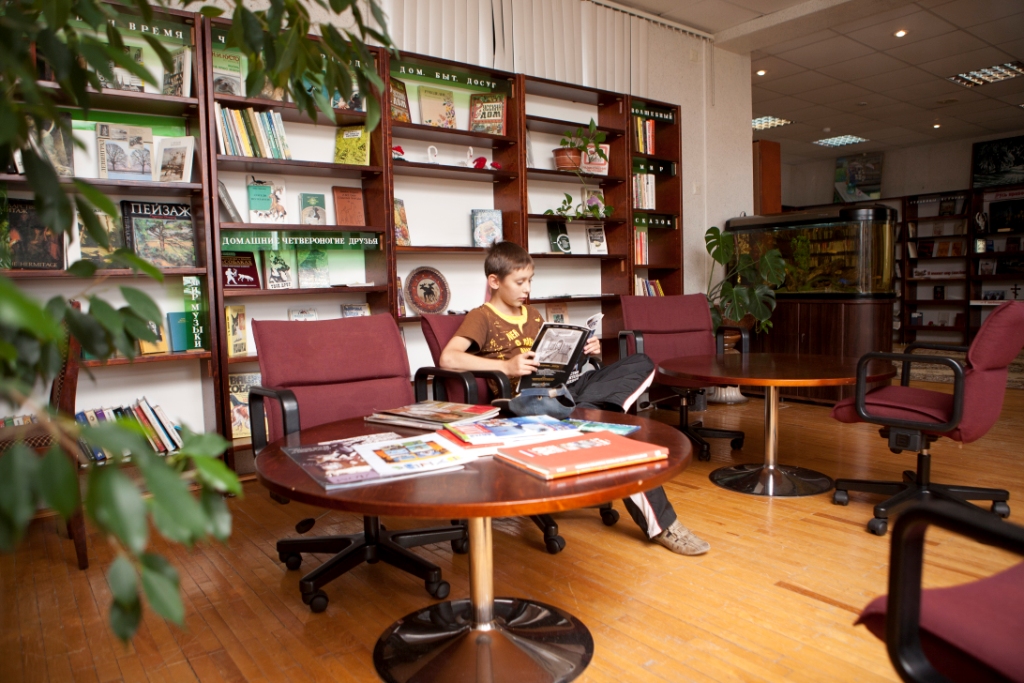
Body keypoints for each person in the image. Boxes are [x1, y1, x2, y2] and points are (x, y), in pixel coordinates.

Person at [439, 241, 710, 555]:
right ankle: (664, 526)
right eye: (520, 282)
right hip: (528, 401)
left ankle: (585, 411)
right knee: (615, 439)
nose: (527, 289)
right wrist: (506, 366)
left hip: (565, 389)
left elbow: (554, 361)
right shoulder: (482, 316)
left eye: (530, 281)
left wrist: (586, 351)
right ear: (494, 281)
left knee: (641, 362)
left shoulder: (533, 314)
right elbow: (449, 358)